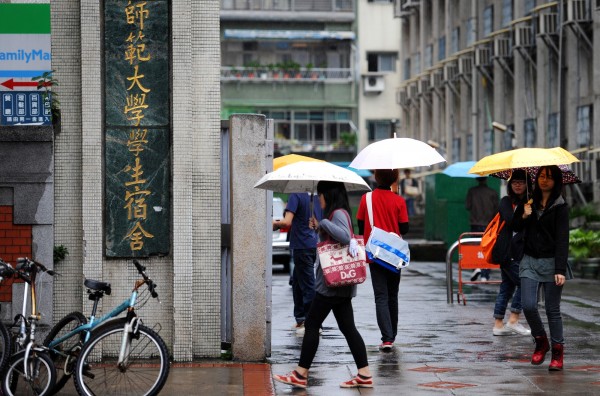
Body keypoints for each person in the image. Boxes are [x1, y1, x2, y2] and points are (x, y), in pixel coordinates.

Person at [273, 181, 373, 389]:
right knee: (348, 328)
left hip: (331, 284)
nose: (319, 199)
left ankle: (300, 374)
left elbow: (344, 237)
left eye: (321, 195)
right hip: (340, 284)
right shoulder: (341, 212)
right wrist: (319, 226)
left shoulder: (337, 214)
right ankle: (364, 374)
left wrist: (323, 223)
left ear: (328, 194)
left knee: (311, 324)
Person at [512, 165, 570, 371]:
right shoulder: (528, 201)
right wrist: (524, 215)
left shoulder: (561, 206)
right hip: (529, 260)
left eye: (549, 177)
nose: (544, 180)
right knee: (528, 305)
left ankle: (557, 352)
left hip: (552, 261)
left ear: (556, 181)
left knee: (552, 310)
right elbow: (515, 227)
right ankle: (541, 341)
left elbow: (563, 239)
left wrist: (560, 269)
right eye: (541, 177)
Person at [356, 169, 409, 351]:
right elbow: (405, 228)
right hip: (394, 255)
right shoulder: (399, 200)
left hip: (375, 254)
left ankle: (386, 338)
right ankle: (392, 334)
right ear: (395, 178)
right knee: (393, 295)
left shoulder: (366, 199)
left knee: (381, 296)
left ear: (376, 177)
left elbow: (361, 225)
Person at [273, 193, 322, 335]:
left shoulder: (296, 195)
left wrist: (274, 224)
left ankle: (312, 323)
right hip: (314, 243)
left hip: (301, 245)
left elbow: (287, 222)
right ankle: (301, 319)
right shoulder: (317, 196)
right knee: (297, 282)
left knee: (307, 284)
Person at [491, 169, 532, 337]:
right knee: (526, 282)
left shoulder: (530, 202)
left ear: (527, 184)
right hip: (508, 252)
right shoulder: (506, 201)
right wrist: (523, 215)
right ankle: (514, 319)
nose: (517, 185)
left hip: (520, 251)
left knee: (506, 287)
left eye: (522, 182)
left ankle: (498, 325)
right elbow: (511, 223)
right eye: (514, 182)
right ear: (509, 185)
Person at [466, 176, 499, 281]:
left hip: (475, 223)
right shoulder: (492, 192)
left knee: (475, 247)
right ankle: (485, 274)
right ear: (486, 179)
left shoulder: (472, 191)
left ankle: (476, 267)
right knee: (487, 248)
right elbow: (496, 209)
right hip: (488, 224)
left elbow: (468, 206)